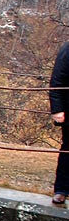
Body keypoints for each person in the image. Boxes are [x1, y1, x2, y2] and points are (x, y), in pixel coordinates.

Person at [50, 41, 69, 204]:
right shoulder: (68, 49)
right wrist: (57, 110)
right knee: (68, 149)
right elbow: (57, 81)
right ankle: (62, 190)